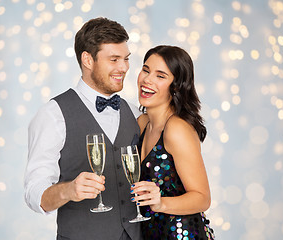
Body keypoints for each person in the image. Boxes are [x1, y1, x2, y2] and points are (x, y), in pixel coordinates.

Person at [24, 17, 143, 240]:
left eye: (126, 59)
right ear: (88, 60)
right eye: (114, 59)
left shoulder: (134, 112)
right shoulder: (53, 115)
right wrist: (68, 190)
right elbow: (34, 194)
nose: (124, 67)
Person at [131, 45, 215, 239]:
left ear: (176, 86)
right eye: (146, 70)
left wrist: (161, 203)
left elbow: (202, 198)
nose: (147, 79)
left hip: (182, 235)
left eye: (160, 76)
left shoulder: (176, 129)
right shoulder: (142, 124)